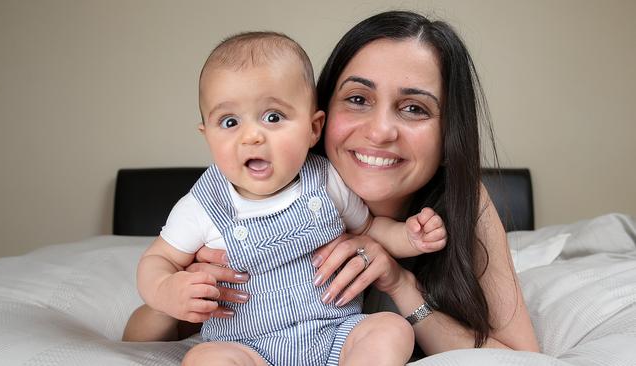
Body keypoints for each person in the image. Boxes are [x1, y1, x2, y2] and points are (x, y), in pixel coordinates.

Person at [162, 10, 541, 357]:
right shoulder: (245, 202)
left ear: (449, 136)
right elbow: (143, 331)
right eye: (358, 99)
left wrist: (400, 284)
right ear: (320, 121)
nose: (379, 132)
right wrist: (180, 285)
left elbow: (523, 358)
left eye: (414, 108)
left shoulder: (463, 201)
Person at [131, 31, 448, 366]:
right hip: (247, 345)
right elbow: (156, 261)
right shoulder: (202, 206)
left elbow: (370, 228)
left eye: (273, 117)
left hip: (335, 333)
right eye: (229, 122)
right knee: (204, 358)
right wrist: (168, 290)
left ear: (313, 128)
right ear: (207, 134)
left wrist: (410, 238)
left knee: (392, 329)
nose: (251, 136)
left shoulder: (325, 180)